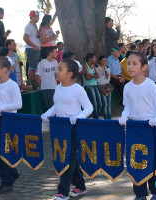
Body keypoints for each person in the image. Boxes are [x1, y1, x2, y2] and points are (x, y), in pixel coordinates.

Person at [41, 58, 93, 200]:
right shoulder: (58, 88)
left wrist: (78, 116)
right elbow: (56, 105)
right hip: (59, 128)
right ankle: (81, 186)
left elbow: (89, 107)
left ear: (70, 73)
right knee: (70, 158)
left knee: (68, 159)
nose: (56, 72)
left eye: (60, 69)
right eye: (57, 69)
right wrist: (49, 113)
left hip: (73, 128)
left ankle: (63, 191)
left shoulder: (78, 89)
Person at [119, 52, 156, 200]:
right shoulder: (127, 87)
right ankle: (140, 194)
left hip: (151, 128)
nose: (130, 67)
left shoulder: (150, 85)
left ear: (144, 67)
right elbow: (127, 106)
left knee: (154, 161)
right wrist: (124, 115)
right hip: (135, 130)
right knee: (136, 161)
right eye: (129, 63)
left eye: (134, 64)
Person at [0, 56, 22, 194]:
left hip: (8, 121)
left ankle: (7, 182)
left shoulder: (12, 85)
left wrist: (1, 107)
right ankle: (13, 172)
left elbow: (18, 104)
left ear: (4, 70)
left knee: (3, 151)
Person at [23, 10, 41, 89]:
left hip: (35, 49)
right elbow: (25, 38)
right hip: (32, 49)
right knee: (32, 67)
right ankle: (33, 85)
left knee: (35, 67)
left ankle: (35, 84)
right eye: (37, 16)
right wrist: (34, 46)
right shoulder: (29, 26)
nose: (38, 18)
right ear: (32, 17)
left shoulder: (34, 26)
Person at [82, 53, 102, 119]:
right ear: (90, 59)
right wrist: (93, 76)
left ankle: (95, 116)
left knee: (99, 103)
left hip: (94, 85)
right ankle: (96, 119)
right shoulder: (85, 65)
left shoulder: (93, 65)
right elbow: (87, 78)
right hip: (88, 85)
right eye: (94, 58)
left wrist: (91, 75)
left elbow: (97, 76)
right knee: (94, 103)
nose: (95, 59)